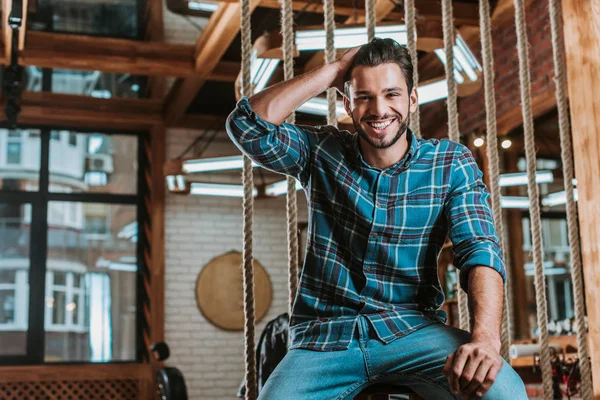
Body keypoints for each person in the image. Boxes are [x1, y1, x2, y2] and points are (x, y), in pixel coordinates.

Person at [226, 38, 527, 400]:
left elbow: (479, 249)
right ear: (347, 103)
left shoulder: (450, 164)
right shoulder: (322, 151)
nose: (379, 109)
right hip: (325, 338)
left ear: (412, 100)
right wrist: (334, 70)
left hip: (412, 332)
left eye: (392, 94)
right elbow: (247, 126)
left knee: (506, 393)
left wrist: (486, 340)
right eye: (364, 96)